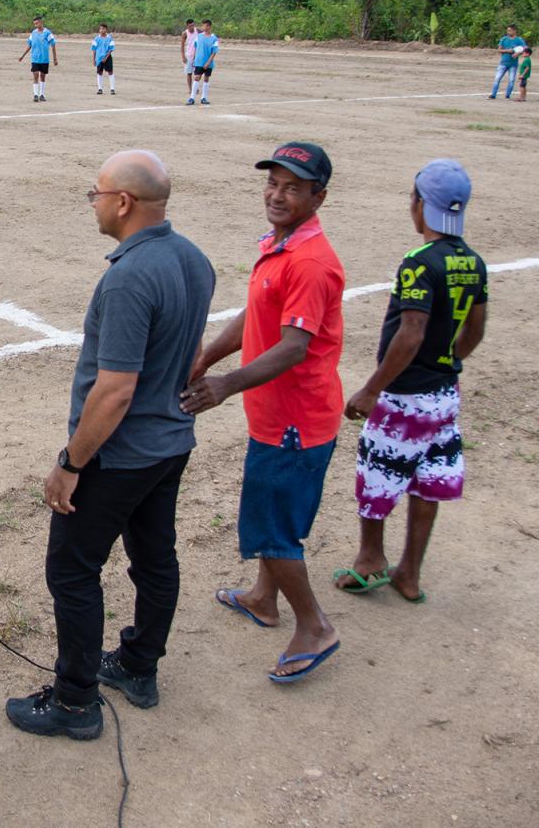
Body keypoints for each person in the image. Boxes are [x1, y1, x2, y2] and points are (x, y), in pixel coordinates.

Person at [6, 150, 215, 739]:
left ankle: (75, 703)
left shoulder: (128, 278)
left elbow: (116, 390)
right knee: (155, 558)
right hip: (169, 445)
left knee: (72, 571)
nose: (92, 203)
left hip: (120, 455)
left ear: (123, 202)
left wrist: (71, 462)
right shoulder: (193, 259)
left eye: (95, 193)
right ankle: (138, 667)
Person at [181, 142, 345, 684]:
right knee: (271, 515)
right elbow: (259, 315)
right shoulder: (280, 246)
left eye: (293, 187)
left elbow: (294, 345)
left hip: (296, 422)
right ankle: (262, 597)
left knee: (271, 528)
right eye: (272, 183)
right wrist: (207, 355)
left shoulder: (311, 263)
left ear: (319, 196)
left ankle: (314, 625)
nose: (277, 195)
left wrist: (224, 384)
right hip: (277, 415)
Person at [334, 160, 489, 604]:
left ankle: (370, 560)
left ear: (420, 206)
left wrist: (373, 387)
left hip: (404, 396)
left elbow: (411, 331)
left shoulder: (419, 263)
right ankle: (410, 573)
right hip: (444, 395)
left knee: (379, 472)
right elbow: (475, 331)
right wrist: (446, 361)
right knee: (428, 479)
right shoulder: (472, 262)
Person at [17, 15, 58, 102]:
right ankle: (35, 95)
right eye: (34, 24)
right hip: (35, 58)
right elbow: (29, 45)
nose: (35, 25)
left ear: (41, 22)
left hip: (44, 59)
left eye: (37, 23)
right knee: (35, 75)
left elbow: (53, 45)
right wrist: (23, 55)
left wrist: (55, 58)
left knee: (42, 76)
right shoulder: (33, 33)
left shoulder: (48, 33)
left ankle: (41, 94)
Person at [187, 19, 219, 105]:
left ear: (208, 26)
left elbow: (214, 52)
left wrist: (208, 62)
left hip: (208, 63)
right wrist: (194, 58)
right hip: (199, 61)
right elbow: (196, 48)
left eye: (204, 26)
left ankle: (204, 98)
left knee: (206, 79)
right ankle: (192, 98)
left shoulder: (214, 38)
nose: (202, 27)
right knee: (197, 77)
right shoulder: (199, 36)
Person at [490, 23, 525, 99]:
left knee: (511, 80)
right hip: (503, 62)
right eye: (507, 31)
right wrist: (507, 50)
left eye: (510, 31)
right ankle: (493, 94)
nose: (508, 32)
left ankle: (507, 95)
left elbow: (524, 49)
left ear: (514, 31)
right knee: (497, 78)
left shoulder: (519, 40)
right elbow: (499, 50)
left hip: (513, 64)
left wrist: (517, 53)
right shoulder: (504, 39)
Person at [90, 23, 116, 95]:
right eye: (100, 29)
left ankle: (112, 89)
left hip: (107, 57)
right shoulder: (96, 39)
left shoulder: (109, 38)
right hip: (99, 58)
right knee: (99, 72)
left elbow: (111, 49)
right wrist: (94, 59)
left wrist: (106, 57)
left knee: (110, 72)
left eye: (103, 29)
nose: (101, 30)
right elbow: (94, 49)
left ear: (106, 29)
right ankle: (100, 88)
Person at [180, 19, 199, 96]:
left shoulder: (198, 30)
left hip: (197, 55)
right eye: (190, 26)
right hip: (189, 55)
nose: (192, 27)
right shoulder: (185, 33)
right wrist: (183, 56)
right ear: (187, 26)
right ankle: (190, 89)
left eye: (193, 25)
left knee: (197, 72)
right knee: (189, 73)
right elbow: (182, 45)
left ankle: (196, 88)